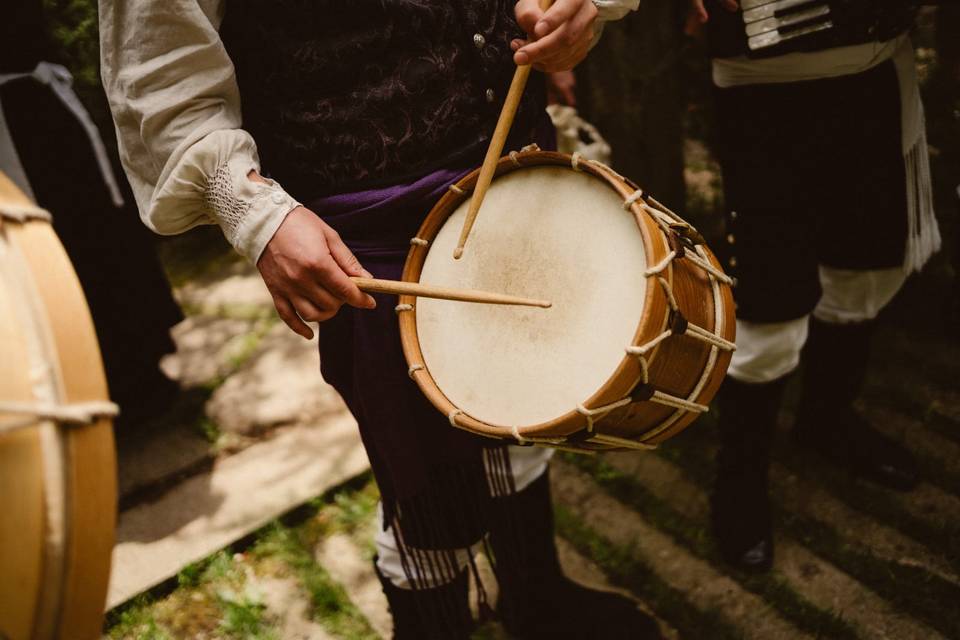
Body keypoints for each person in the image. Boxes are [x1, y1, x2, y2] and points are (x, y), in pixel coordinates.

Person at [100, 1, 661, 637]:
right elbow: (160, 68)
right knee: (425, 479)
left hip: (513, 151)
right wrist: (254, 212)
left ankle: (537, 600)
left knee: (525, 394)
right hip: (376, 218)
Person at [688, 0, 940, 571]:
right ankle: (740, 480)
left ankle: (827, 421)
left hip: (879, 76)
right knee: (769, 309)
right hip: (761, 94)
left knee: (868, 268)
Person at [1, 0, 182, 433]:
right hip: (16, 140)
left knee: (105, 240)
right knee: (58, 262)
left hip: (55, 120)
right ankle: (97, 385)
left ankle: (142, 370)